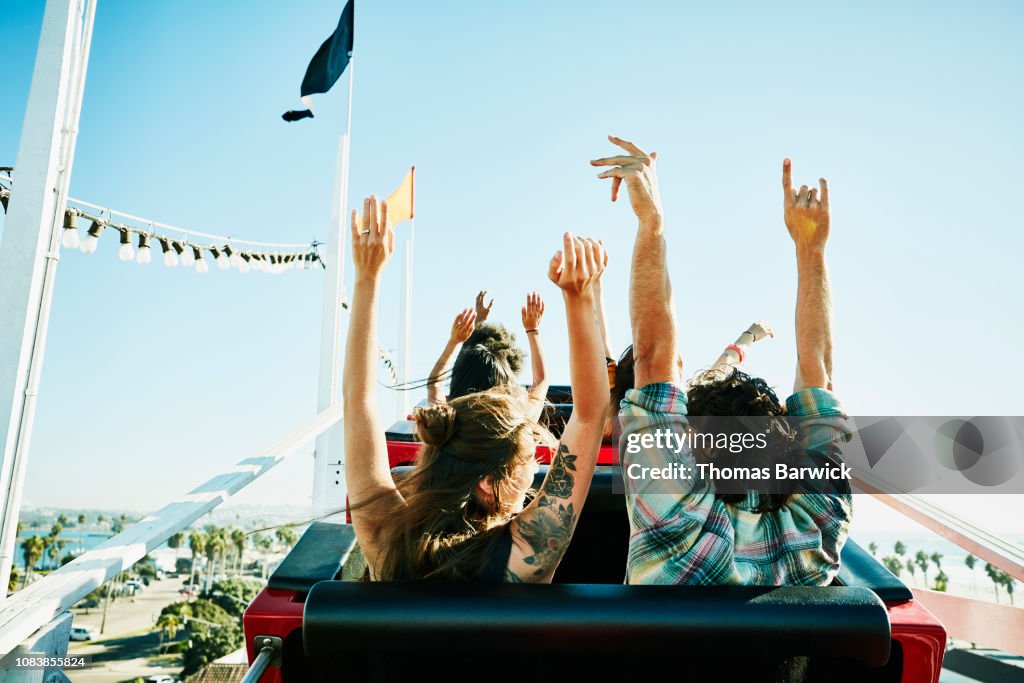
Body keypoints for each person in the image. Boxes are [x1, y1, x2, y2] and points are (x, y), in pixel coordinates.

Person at [592, 137, 851, 586]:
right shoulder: (819, 523)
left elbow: (654, 360)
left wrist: (651, 221)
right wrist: (812, 250)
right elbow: (819, 373)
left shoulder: (673, 520)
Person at [342, 194, 609, 582]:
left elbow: (357, 403)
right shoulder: (524, 555)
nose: (534, 472)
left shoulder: (384, 536)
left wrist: (367, 276)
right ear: (488, 483)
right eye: (527, 464)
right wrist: (580, 296)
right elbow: (590, 415)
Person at [425, 293, 549, 422]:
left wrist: (454, 341)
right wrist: (533, 329)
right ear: (505, 388)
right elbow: (541, 380)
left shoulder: (446, 424)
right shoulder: (518, 422)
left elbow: (435, 384)